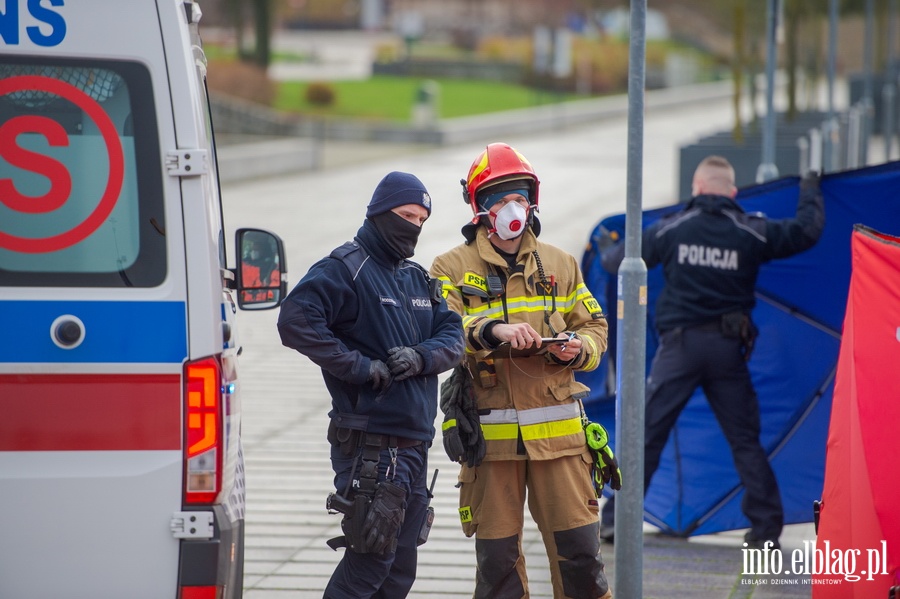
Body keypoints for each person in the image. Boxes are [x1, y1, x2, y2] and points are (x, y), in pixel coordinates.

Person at [599, 155, 825, 550]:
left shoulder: (673, 228)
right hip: (727, 352)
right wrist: (809, 188)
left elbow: (621, 262)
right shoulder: (751, 231)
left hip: (678, 349)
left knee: (647, 434)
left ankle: (616, 522)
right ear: (732, 192)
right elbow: (806, 232)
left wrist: (605, 247)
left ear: (698, 188)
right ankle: (766, 531)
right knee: (745, 440)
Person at [430, 142, 616, 599]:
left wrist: (579, 349)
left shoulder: (560, 263)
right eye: (499, 196)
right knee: (498, 568)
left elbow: (595, 325)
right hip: (491, 449)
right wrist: (493, 331)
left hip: (562, 443)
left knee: (581, 559)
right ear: (479, 207)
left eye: (518, 194)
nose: (511, 206)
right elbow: (440, 328)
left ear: (531, 200)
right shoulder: (450, 267)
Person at [277, 171, 465, 598]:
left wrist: (421, 357)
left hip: (415, 446)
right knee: (369, 561)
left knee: (399, 569)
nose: (413, 225)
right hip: (372, 448)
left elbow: (454, 338)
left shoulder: (419, 279)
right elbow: (295, 321)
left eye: (421, 218)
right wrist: (359, 367)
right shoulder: (346, 268)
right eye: (405, 215)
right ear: (379, 213)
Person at [241, 231, 280, 303]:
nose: (254, 252)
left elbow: (275, 288)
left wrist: (267, 286)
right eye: (253, 249)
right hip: (246, 300)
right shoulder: (245, 263)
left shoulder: (271, 267)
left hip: (262, 300)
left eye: (256, 250)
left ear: (263, 251)